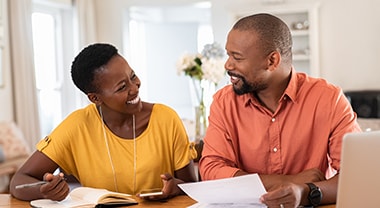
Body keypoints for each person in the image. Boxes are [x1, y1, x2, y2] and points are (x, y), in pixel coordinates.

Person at [199, 13, 362, 208]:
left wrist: (305, 192)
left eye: (237, 57)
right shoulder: (224, 103)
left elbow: (356, 176)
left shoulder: (328, 99)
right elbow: (211, 169)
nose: (228, 65)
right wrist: (286, 181)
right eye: (228, 55)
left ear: (272, 61)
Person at [10, 43, 197, 201]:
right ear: (95, 98)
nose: (135, 88)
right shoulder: (77, 126)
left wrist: (174, 189)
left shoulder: (166, 118)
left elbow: (191, 186)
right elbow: (19, 181)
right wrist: (43, 191)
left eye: (132, 76)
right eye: (122, 87)